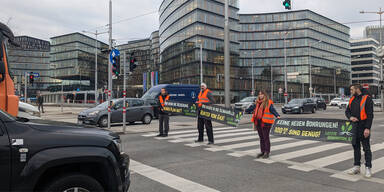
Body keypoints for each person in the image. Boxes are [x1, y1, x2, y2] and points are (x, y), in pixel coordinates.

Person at [345, 84, 374, 178]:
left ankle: (368, 168)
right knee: (356, 147)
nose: (350, 91)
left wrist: (367, 128)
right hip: (354, 127)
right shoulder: (352, 99)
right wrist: (350, 117)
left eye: (351, 89)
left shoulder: (367, 98)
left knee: (366, 149)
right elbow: (347, 111)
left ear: (357, 89)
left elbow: (370, 115)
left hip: (363, 126)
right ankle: (356, 166)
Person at [251, 91, 280, 159]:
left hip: (266, 123)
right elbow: (252, 108)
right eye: (259, 94)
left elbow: (272, 110)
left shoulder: (268, 102)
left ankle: (267, 152)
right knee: (261, 138)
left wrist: (277, 115)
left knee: (265, 137)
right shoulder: (257, 102)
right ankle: (262, 151)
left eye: (262, 94)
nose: (260, 95)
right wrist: (243, 110)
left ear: (265, 95)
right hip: (258, 122)